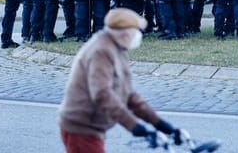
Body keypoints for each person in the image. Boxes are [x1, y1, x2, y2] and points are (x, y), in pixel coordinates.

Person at [59, 8, 182, 153]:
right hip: (81, 127)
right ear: (125, 33)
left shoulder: (117, 50)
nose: (138, 35)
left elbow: (129, 95)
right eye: (136, 31)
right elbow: (102, 94)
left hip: (92, 127)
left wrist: (159, 123)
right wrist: (134, 125)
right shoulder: (101, 51)